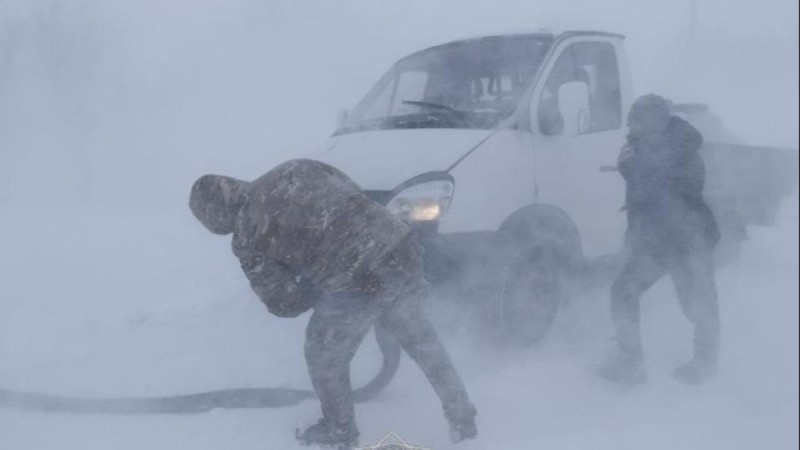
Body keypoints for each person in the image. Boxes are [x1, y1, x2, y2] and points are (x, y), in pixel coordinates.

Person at [189, 159, 478, 448]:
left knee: (323, 355)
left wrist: (314, 285)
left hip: (357, 278)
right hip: (400, 245)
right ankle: (462, 415)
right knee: (420, 338)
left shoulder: (247, 236)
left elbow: (283, 303)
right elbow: (352, 193)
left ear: (216, 218)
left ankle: (339, 431)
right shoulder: (294, 168)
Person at [600, 94, 721, 386]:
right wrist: (629, 169)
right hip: (655, 242)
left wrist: (629, 168)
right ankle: (630, 365)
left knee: (697, 304)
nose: (631, 129)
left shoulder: (685, 151)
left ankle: (705, 361)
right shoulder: (644, 148)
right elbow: (643, 198)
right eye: (631, 123)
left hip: (688, 241)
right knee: (623, 292)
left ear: (656, 123)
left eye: (637, 123)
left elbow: (667, 195)